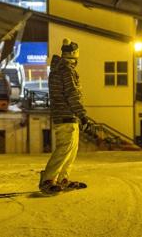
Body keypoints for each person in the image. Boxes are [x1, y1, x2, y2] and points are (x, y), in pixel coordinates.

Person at [39, 39, 88, 194]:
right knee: (65, 147)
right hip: (66, 113)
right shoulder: (66, 70)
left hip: (67, 114)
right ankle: (48, 179)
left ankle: (62, 179)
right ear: (74, 54)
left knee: (71, 148)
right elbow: (72, 94)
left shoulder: (59, 68)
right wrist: (83, 115)